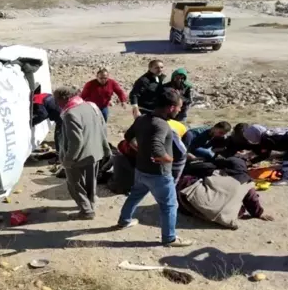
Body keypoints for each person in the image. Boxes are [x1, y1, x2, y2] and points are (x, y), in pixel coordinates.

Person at [117, 88, 194, 247]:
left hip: (141, 170)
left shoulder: (142, 119)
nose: (180, 110)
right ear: (171, 107)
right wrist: (168, 159)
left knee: (135, 196)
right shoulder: (162, 125)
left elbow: (127, 136)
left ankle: (124, 220)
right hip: (159, 175)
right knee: (170, 205)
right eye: (179, 107)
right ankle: (170, 238)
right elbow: (156, 147)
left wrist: (139, 149)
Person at [55, 85, 111, 220]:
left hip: (79, 156)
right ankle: (91, 202)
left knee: (75, 184)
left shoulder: (70, 114)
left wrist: (68, 160)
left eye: (57, 100)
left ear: (64, 99)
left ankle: (86, 211)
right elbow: (103, 127)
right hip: (95, 152)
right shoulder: (90, 106)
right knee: (91, 180)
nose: (57, 104)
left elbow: (75, 142)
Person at [177, 157, 275, 228]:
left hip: (191, 208)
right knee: (236, 206)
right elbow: (252, 200)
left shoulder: (216, 172)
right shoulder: (248, 184)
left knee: (187, 180)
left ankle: (184, 208)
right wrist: (259, 214)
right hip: (223, 219)